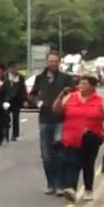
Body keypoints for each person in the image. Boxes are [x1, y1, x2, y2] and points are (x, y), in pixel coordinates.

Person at [54, 75, 104, 202]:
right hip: (71, 136)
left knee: (88, 163)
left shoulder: (100, 100)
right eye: (80, 84)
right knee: (71, 162)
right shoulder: (70, 96)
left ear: (92, 86)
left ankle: (88, 190)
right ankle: (71, 189)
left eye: (85, 84)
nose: (81, 86)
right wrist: (60, 96)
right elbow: (56, 109)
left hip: (92, 137)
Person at [27, 52, 74, 195]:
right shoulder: (40, 78)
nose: (53, 63)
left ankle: (60, 185)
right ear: (46, 62)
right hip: (45, 120)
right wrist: (36, 102)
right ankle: (51, 184)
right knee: (47, 155)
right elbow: (32, 95)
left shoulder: (66, 78)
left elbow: (73, 94)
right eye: (51, 61)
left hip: (61, 119)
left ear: (59, 62)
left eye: (55, 61)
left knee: (59, 153)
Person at [6, 62, 27, 141]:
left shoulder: (20, 77)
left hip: (16, 100)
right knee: (5, 117)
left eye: (15, 68)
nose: (13, 70)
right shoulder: (5, 77)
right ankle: (6, 133)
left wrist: (25, 100)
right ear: (9, 69)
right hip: (6, 101)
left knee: (15, 117)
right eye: (12, 68)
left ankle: (15, 135)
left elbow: (23, 89)